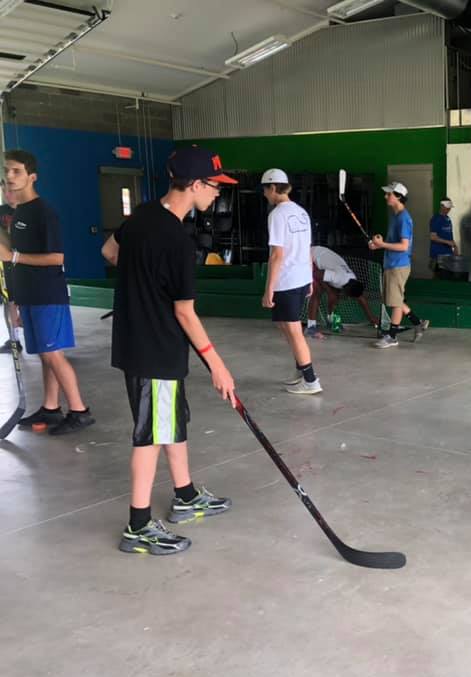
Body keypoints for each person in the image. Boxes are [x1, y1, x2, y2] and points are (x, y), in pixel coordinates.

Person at [101, 145, 238, 556]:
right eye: (214, 185)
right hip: (155, 350)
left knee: (170, 423)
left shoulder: (142, 215)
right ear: (194, 184)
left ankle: (186, 495)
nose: (217, 192)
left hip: (139, 343)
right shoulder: (178, 240)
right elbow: (185, 312)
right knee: (150, 436)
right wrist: (217, 364)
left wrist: (142, 279)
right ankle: (138, 526)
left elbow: (109, 251)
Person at [0, 150, 94, 434]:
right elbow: (12, 254)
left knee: (53, 354)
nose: (9, 176)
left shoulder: (44, 212)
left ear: (32, 177)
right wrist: (16, 300)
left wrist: (13, 257)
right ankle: (51, 408)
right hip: (29, 295)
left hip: (47, 294)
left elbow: (56, 258)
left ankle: (79, 411)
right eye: (6, 171)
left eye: (16, 171)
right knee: (44, 353)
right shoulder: (19, 213)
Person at [261, 168, 322, 395]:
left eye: (265, 190)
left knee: (294, 330)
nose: (265, 194)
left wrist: (269, 289)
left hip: (286, 280)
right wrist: (310, 279)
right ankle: (301, 369)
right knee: (283, 324)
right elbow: (307, 249)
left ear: (273, 188)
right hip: (300, 278)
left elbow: (277, 255)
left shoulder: (277, 215)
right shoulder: (301, 212)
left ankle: (311, 380)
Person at [369, 181, 428, 349]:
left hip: (398, 266)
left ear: (399, 197)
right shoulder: (395, 216)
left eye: (389, 194)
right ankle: (418, 323)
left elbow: (403, 246)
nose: (386, 196)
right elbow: (394, 243)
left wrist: (382, 245)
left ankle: (392, 337)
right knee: (396, 299)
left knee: (395, 303)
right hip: (392, 264)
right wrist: (379, 245)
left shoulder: (403, 218)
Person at [305, 243, 380, 338]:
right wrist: (329, 291)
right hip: (310, 256)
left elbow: (361, 299)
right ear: (347, 290)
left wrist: (371, 317)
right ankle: (311, 328)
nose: (347, 298)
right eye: (348, 296)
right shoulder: (339, 278)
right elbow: (316, 274)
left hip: (322, 257)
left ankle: (331, 320)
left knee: (334, 295)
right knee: (317, 291)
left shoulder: (352, 279)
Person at [0, 188, 22, 355]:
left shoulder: (27, 210)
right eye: (3, 190)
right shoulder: (2, 210)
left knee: (24, 305)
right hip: (6, 265)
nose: (6, 193)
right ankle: (14, 341)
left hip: (23, 263)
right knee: (10, 303)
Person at [428, 197, 457, 275]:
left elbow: (449, 236)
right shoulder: (436, 219)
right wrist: (448, 242)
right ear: (441, 206)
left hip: (448, 255)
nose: (448, 209)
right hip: (438, 255)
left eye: (449, 208)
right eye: (447, 207)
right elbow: (433, 237)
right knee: (440, 277)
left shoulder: (448, 219)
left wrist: (455, 247)